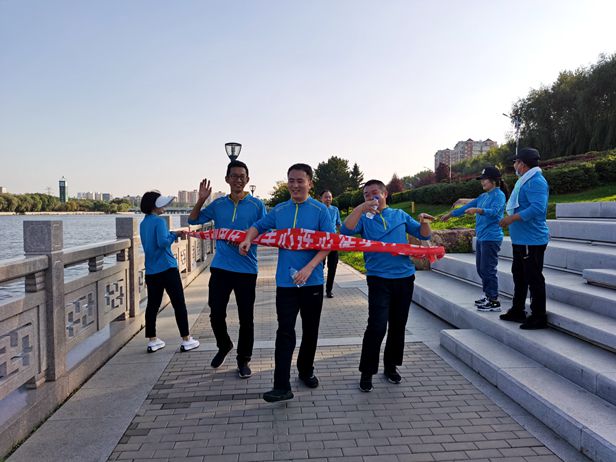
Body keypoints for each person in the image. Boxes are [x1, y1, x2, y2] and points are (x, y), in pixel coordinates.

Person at [239, 163, 335, 402]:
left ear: (310, 183)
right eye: (291, 180)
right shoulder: (280, 210)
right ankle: (281, 386)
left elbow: (330, 243)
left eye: (300, 181)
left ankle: (306, 370)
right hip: (285, 283)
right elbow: (258, 226)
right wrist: (248, 240)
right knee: (284, 331)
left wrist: (309, 268)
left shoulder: (320, 210)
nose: (295, 185)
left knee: (310, 331)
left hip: (312, 281)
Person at [340, 180, 432, 392]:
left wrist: (425, 221)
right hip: (378, 279)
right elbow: (345, 231)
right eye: (366, 195)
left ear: (385, 194)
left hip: (404, 278)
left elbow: (424, 234)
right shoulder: (364, 218)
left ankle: (391, 367)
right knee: (377, 325)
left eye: (374, 193)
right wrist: (361, 208)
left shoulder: (399, 215)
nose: (370, 197)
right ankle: (367, 372)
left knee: (398, 325)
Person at [188, 160, 266, 378]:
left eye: (242, 176)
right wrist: (201, 200)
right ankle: (224, 345)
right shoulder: (218, 205)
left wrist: (245, 239)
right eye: (234, 176)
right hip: (221, 267)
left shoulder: (257, 205)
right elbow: (192, 220)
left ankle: (243, 359)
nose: (238, 180)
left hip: (246, 269)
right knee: (215, 313)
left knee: (246, 318)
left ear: (248, 179)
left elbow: (266, 231)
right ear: (227, 179)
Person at [440, 166, 508, 312]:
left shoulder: (499, 195)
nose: (482, 182)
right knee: (481, 268)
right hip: (482, 237)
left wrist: (478, 210)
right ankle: (488, 295)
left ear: (493, 180)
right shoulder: (483, 197)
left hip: (492, 237)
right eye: (481, 180)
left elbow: (495, 212)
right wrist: (450, 214)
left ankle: (494, 300)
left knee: (488, 269)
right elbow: (466, 207)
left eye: (485, 179)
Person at [139, 191, 200, 353]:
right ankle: (186, 339)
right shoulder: (159, 222)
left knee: (152, 305)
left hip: (151, 270)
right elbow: (162, 243)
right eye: (162, 204)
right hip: (167, 268)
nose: (165, 207)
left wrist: (172, 233)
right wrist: (174, 235)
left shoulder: (143, 223)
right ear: (155, 206)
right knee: (178, 303)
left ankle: (152, 340)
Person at [499, 148, 550, 330]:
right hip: (521, 239)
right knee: (519, 275)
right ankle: (517, 310)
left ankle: (538, 316)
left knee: (533, 277)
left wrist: (511, 218)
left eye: (516, 162)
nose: (514, 165)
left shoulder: (536, 182)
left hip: (532, 239)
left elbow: (537, 208)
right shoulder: (525, 181)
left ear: (523, 163)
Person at [319, 190, 342, 298]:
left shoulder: (335, 209)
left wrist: (342, 235)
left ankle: (329, 290)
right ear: (321, 198)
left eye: (330, 197)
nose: (328, 199)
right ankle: (318, 288)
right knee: (320, 266)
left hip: (333, 242)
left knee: (332, 266)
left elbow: (338, 224)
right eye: (326, 197)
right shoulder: (318, 209)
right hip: (321, 242)